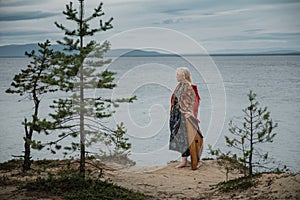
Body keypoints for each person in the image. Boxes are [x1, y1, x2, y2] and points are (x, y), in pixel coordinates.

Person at [169, 67, 203, 169]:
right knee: (179, 138)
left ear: (183, 76)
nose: (176, 76)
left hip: (184, 116)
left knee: (190, 137)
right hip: (176, 114)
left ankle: (196, 160)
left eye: (178, 75)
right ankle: (184, 160)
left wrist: (191, 113)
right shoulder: (179, 86)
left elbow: (195, 101)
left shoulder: (190, 86)